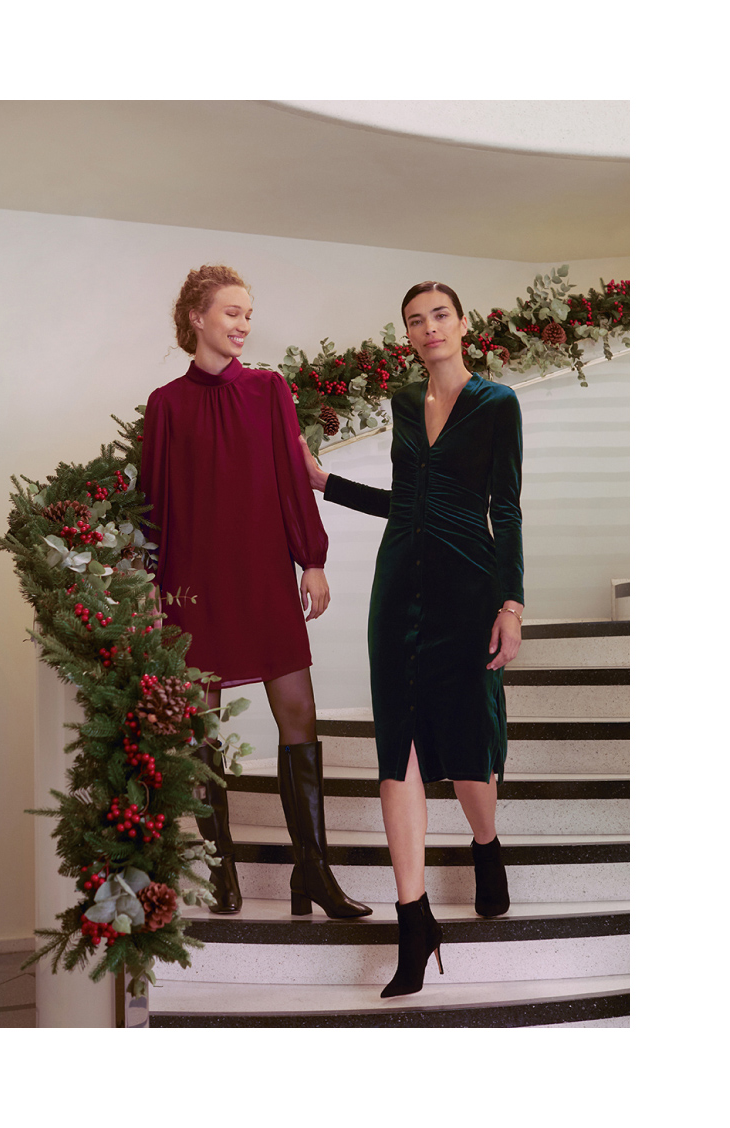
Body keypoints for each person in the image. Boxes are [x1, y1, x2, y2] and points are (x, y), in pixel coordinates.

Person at [299, 281, 524, 997]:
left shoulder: (497, 404)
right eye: (415, 322)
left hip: (468, 588)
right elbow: (404, 499)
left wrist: (511, 604)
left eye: (440, 317)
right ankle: (413, 920)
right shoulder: (402, 404)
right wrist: (323, 482)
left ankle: (485, 844)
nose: (429, 329)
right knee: (397, 752)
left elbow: (507, 509)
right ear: (408, 335)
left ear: (463, 324)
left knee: (466, 762)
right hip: (398, 589)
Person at [138, 264, 371, 920]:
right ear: (196, 319)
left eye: (247, 314)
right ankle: (222, 872)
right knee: (202, 728)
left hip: (262, 576)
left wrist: (312, 559)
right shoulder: (166, 405)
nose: (242, 324)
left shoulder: (270, 392)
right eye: (230, 312)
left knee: (298, 711)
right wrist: (159, 594)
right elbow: (151, 505)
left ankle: (314, 874)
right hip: (195, 586)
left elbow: (291, 481)